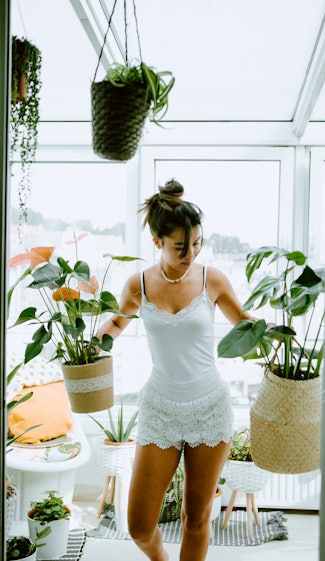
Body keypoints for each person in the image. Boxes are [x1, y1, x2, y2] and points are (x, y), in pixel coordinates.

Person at [97, 179, 258, 561]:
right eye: (180, 247)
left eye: (197, 243)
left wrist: (279, 336)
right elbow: (116, 325)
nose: (191, 253)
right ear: (157, 242)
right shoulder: (138, 285)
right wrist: (87, 345)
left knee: (196, 518)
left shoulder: (211, 279)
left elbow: (245, 324)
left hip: (210, 408)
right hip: (160, 411)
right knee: (138, 524)